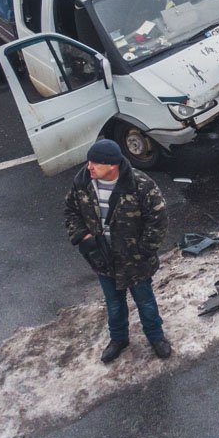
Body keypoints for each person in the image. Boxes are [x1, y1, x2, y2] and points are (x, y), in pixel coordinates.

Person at [65, 138, 172, 363]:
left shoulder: (140, 185)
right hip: (103, 259)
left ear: (112, 166)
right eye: (89, 161)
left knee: (145, 302)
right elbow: (71, 211)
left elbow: (158, 219)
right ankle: (118, 339)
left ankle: (156, 337)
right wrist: (84, 238)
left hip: (135, 261)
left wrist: (143, 251)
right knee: (114, 303)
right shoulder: (82, 182)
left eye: (95, 163)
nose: (89, 167)